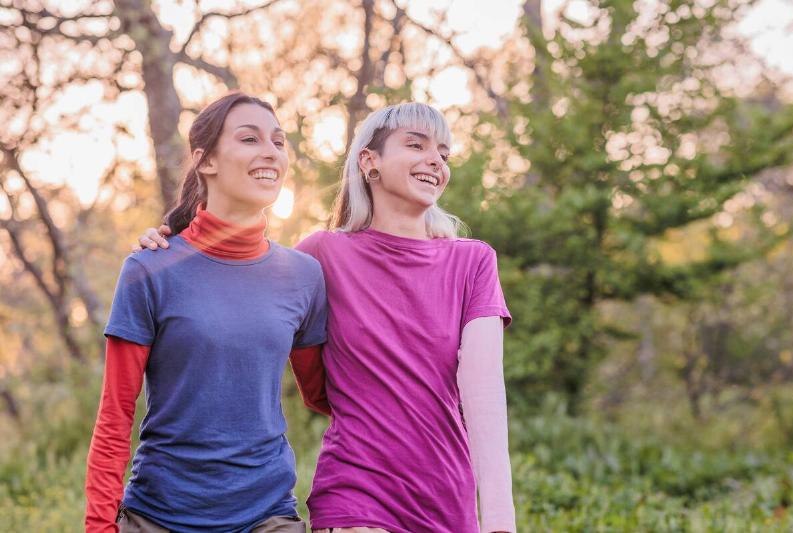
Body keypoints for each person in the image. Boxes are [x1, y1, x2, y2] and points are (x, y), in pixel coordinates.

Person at [136, 102, 516, 533]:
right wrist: (172, 247)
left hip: (447, 498)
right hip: (355, 496)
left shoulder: (473, 262)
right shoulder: (322, 254)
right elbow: (233, 276)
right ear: (369, 161)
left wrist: (499, 522)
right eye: (416, 145)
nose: (435, 160)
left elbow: (484, 395)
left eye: (444, 154)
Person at [86, 92, 327, 533]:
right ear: (206, 161)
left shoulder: (304, 275)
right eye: (250, 139)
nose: (271, 152)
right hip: (159, 516)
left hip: (267, 516)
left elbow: (325, 396)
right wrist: (99, 526)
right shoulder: (149, 268)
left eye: (278, 142)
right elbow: (115, 415)